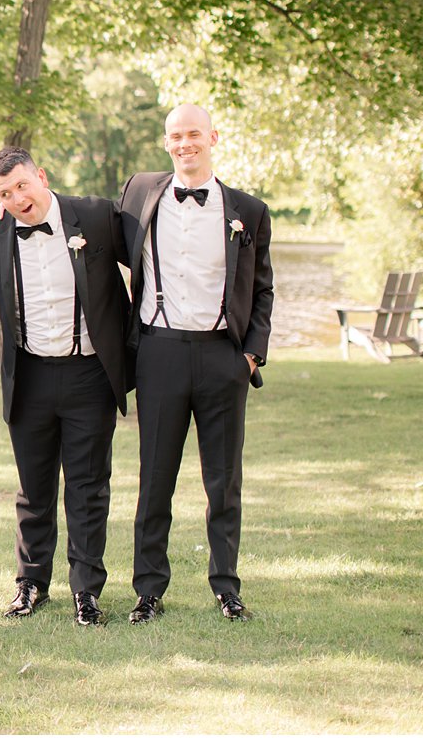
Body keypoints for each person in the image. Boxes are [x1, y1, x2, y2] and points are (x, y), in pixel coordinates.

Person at [118, 104, 274, 623]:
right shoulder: (140, 193)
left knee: (223, 480)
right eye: (175, 136)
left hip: (221, 356)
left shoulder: (248, 211)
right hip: (158, 351)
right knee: (154, 477)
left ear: (213, 137)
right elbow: (81, 220)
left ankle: (227, 588)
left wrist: (250, 354)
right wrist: (6, 209)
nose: (184, 144)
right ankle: (148, 590)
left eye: (193, 135)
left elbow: (263, 289)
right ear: (167, 142)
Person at [0, 146, 131, 627]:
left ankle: (86, 590)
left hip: (89, 373)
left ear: (40, 176)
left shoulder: (97, 216)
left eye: (22, 185)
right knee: (32, 489)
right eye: (5, 192)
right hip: (30, 375)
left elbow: (149, 261)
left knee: (87, 486)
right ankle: (31, 585)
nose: (18, 198)